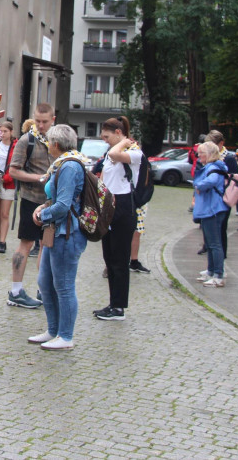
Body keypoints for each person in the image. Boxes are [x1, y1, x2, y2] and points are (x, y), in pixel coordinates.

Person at [29, 124, 87, 350]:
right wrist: (43, 208)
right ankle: (53, 330)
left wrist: (43, 213)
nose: (46, 146)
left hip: (67, 233)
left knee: (63, 285)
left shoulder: (70, 166)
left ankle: (66, 335)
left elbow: (63, 205)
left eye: (48, 142)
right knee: (45, 282)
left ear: (55, 144)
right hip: (56, 230)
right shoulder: (61, 164)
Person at [6, 103, 56, 309]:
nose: (41, 125)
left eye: (45, 121)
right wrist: (39, 178)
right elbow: (14, 171)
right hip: (31, 198)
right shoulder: (27, 141)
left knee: (47, 245)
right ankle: (15, 291)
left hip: (52, 202)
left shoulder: (58, 139)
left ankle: (43, 289)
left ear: (53, 119)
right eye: (38, 121)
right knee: (26, 244)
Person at [93, 115, 140, 321]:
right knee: (109, 257)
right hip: (109, 204)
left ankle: (119, 307)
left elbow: (113, 153)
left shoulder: (135, 152)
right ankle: (113, 303)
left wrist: (123, 142)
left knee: (120, 259)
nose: (104, 140)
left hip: (124, 206)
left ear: (119, 134)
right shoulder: (111, 151)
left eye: (106, 136)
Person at [193, 142, 229, 287]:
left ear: (209, 154)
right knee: (211, 243)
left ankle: (218, 275)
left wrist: (198, 185)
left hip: (212, 210)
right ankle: (211, 271)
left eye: (201, 153)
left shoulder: (213, 167)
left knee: (214, 244)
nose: (199, 155)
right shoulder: (213, 166)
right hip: (210, 209)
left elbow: (211, 181)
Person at [206, 131, 237, 260]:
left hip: (223, 198)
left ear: (221, 144)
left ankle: (221, 255)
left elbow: (234, 179)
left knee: (221, 227)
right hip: (210, 197)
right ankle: (211, 254)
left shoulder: (228, 158)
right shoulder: (208, 157)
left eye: (212, 145)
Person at [0, 121, 17, 254]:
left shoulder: (15, 146)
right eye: (0, 131)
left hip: (8, 182)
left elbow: (17, 165)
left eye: (5, 131)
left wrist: (7, 177)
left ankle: (3, 241)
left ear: (11, 132)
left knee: (5, 213)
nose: (2, 134)